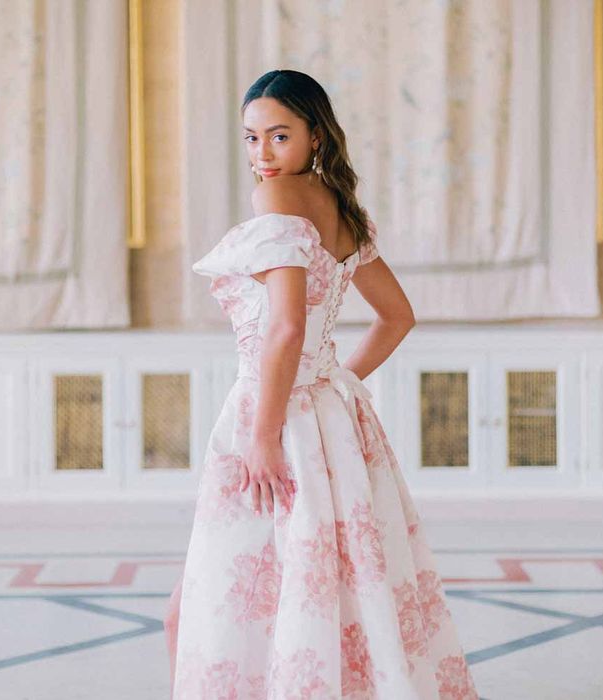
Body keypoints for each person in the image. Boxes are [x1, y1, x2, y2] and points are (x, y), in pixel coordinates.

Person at [164, 69, 478, 700]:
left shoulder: (274, 202)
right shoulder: (339, 208)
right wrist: (332, 383)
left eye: (279, 136)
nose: (263, 155)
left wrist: (263, 433)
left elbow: (285, 329)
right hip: (326, 417)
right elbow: (399, 316)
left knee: (212, 604)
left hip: (273, 416)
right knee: (327, 591)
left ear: (316, 135)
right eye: (251, 139)